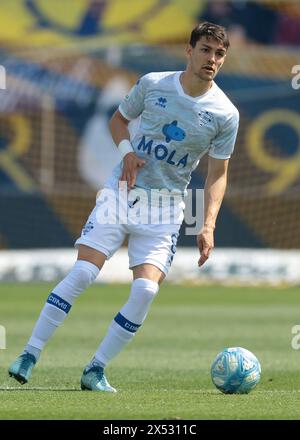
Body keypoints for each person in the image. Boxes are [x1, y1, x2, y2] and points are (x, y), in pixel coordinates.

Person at [8, 22, 239, 392]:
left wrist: (208, 223)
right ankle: (29, 353)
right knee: (84, 272)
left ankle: (95, 369)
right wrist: (127, 153)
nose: (212, 59)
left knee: (146, 291)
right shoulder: (153, 84)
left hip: (165, 210)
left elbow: (218, 174)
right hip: (122, 192)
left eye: (219, 53)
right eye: (206, 50)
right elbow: (118, 120)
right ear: (189, 50)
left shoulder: (225, 113)